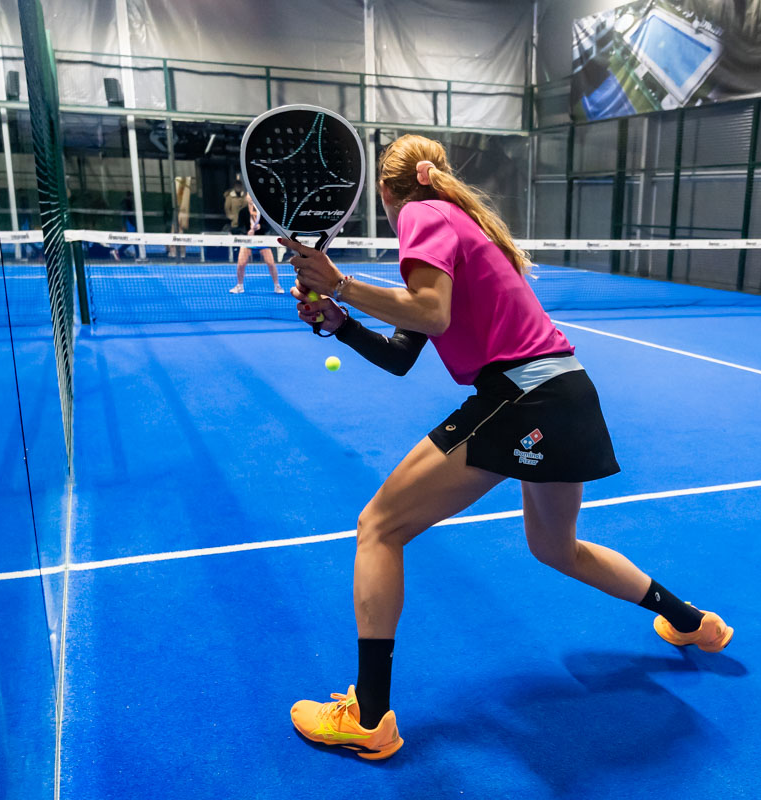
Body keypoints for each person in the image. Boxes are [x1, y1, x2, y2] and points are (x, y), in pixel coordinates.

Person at [284, 134, 732, 761]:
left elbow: (429, 313)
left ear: (385, 191)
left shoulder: (421, 214)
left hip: (522, 399)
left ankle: (369, 715)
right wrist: (342, 323)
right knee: (556, 547)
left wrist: (342, 282)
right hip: (568, 394)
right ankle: (693, 623)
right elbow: (403, 351)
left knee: (378, 528)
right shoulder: (461, 223)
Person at [231, 196, 281, 294]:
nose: (250, 197)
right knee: (241, 264)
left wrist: (260, 226)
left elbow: (268, 227)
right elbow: (240, 227)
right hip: (248, 240)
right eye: (248, 195)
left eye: (252, 195)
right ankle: (239, 286)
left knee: (271, 263)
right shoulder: (243, 212)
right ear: (246, 198)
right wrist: (247, 232)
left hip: (261, 240)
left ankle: (277, 286)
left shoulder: (263, 211)